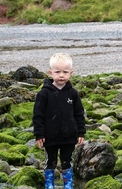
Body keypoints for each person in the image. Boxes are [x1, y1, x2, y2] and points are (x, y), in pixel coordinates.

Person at [33, 53, 86, 189]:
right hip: (50, 136)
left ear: (71, 73)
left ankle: (68, 185)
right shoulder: (44, 93)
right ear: (50, 72)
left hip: (68, 136)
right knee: (50, 161)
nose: (61, 75)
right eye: (57, 72)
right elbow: (38, 115)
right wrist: (39, 134)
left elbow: (79, 114)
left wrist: (81, 132)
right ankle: (49, 184)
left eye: (65, 72)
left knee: (67, 162)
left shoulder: (73, 93)